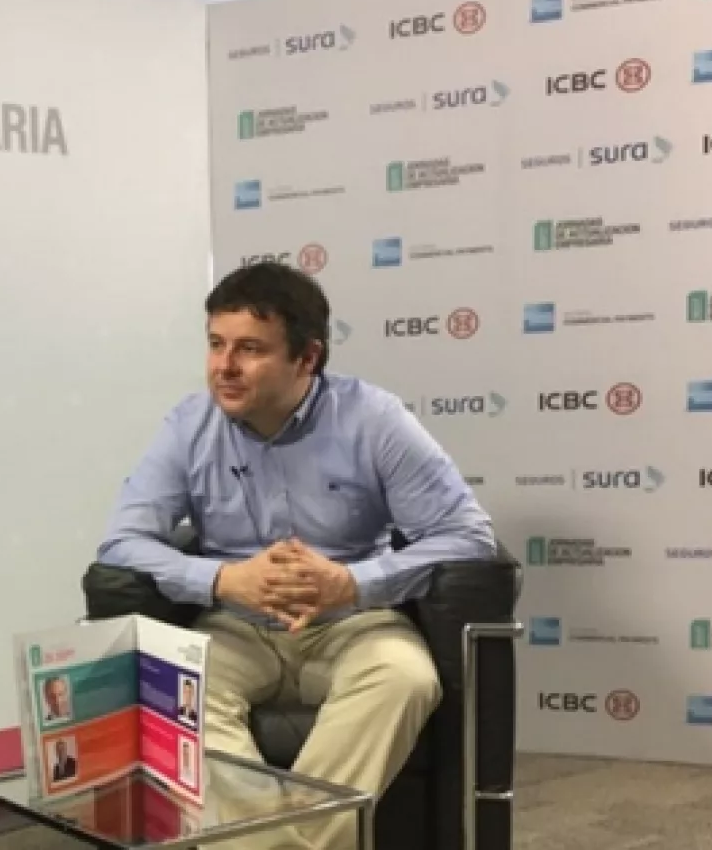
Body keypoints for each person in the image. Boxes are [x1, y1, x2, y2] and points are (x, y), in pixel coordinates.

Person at [96, 262, 496, 850]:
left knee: (405, 677)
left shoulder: (374, 419)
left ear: (307, 358)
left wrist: (352, 582)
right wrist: (223, 579)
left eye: (250, 349)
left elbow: (468, 535)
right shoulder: (188, 426)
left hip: (352, 621)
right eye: (216, 344)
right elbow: (122, 541)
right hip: (235, 625)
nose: (224, 367)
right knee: (168, 689)